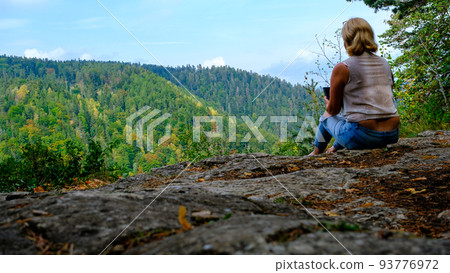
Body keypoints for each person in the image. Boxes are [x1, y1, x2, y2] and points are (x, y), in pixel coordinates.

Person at [309, 17, 400, 156]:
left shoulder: (344, 67)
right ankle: (334, 148)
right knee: (351, 120)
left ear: (346, 42)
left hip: (362, 137)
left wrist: (328, 103)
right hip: (392, 134)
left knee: (326, 117)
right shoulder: (384, 63)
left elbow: (333, 110)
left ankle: (315, 154)